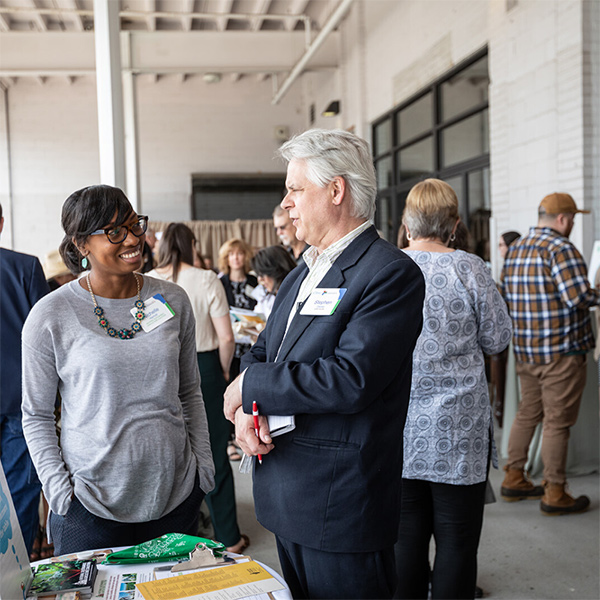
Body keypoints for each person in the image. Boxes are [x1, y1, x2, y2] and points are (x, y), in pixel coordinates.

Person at [223, 129, 426, 599]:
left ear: (336, 191)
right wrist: (244, 413)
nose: (286, 202)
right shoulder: (303, 270)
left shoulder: (389, 273)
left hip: (340, 503)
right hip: (288, 491)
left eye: (295, 188)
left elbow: (350, 378)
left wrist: (250, 384)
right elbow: (263, 350)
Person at [21, 185, 215, 555]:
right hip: (90, 509)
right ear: (81, 245)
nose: (132, 239)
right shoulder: (50, 316)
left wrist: (202, 471)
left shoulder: (172, 299)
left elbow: (190, 391)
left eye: (134, 225)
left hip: (176, 498)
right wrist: (61, 494)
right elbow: (36, 415)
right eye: (114, 232)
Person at [394, 179, 512, 600]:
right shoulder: (471, 268)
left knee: (404, 542)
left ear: (407, 223)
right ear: (454, 225)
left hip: (399, 428)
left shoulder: (390, 268)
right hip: (458, 432)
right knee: (458, 543)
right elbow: (498, 339)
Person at [148, 223, 249, 554]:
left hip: (161, 371)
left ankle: (176, 537)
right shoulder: (206, 278)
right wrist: (222, 370)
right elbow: (227, 336)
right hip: (203, 368)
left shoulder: (148, 279)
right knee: (214, 450)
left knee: (169, 455)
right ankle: (229, 538)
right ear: (192, 244)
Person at [500, 192, 598, 514]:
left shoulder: (515, 250)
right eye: (571, 219)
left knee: (529, 412)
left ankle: (514, 476)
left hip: (527, 352)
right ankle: (555, 492)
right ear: (563, 219)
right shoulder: (561, 248)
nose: (571, 225)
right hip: (562, 352)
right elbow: (578, 297)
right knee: (557, 422)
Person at [0, 203, 50, 555]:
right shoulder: (25, 267)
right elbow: (47, 337)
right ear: (2, 223)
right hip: (22, 399)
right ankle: (13, 575)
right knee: (21, 490)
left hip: (20, 402)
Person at [490, 230, 521, 426]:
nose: (499, 249)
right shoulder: (509, 267)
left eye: (501, 245)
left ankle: (500, 408)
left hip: (512, 329)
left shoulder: (511, 266)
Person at [217, 238, 258, 381]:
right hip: (230, 345)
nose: (235, 258)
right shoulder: (220, 284)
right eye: (231, 254)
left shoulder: (255, 281)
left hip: (252, 343)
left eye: (239, 253)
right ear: (226, 258)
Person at [251, 245, 297, 320]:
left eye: (263, 274)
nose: (260, 279)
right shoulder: (267, 297)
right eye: (258, 275)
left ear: (276, 271)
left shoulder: (296, 297)